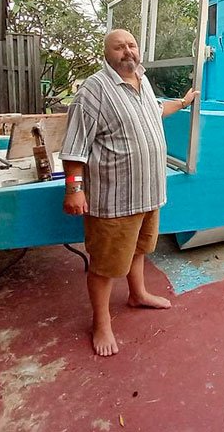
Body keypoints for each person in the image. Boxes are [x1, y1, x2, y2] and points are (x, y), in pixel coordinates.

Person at [60, 29, 198, 356]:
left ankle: (138, 294)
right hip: (115, 199)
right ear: (106, 53)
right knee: (106, 265)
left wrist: (182, 102)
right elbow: (74, 148)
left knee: (139, 250)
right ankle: (102, 322)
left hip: (148, 193)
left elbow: (154, 111)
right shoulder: (93, 91)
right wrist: (74, 190)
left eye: (131, 45)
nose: (127, 51)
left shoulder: (142, 81)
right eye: (119, 47)